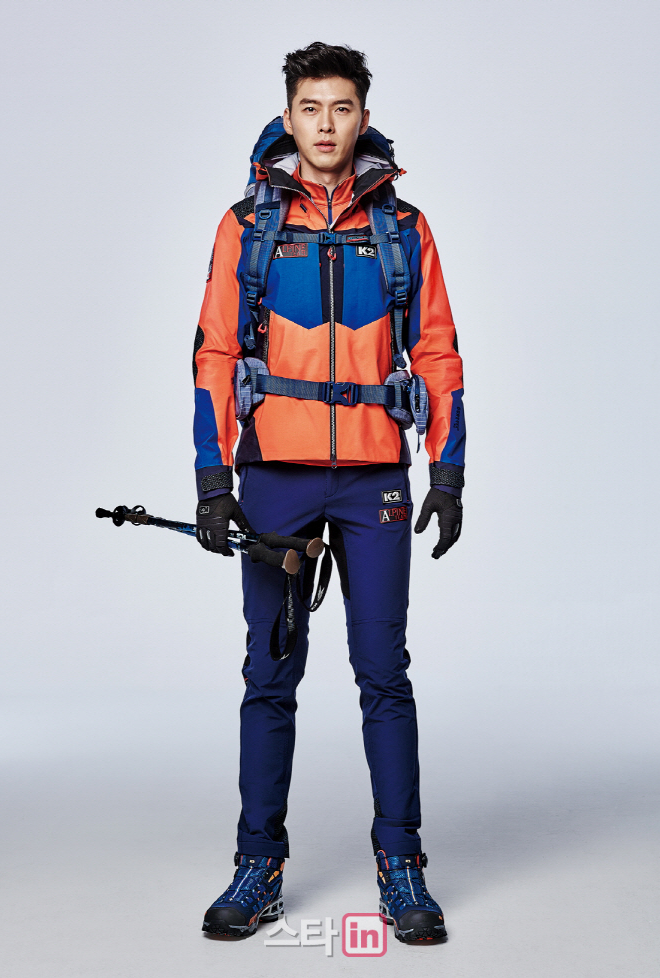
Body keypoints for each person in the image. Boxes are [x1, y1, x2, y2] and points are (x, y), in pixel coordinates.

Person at [192, 41, 465, 945]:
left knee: (384, 673)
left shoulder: (404, 226)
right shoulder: (247, 224)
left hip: (376, 481)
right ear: (289, 115)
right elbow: (216, 351)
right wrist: (212, 477)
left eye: (341, 108)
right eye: (311, 108)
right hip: (274, 479)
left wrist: (449, 469)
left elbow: (436, 350)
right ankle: (258, 864)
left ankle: (403, 865)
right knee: (269, 677)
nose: (325, 124)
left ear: (362, 118)